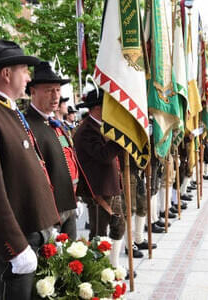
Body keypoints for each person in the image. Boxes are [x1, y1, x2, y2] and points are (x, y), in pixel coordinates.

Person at [0, 39, 60, 300]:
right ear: (6, 73)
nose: (28, 77)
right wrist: (13, 246)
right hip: (16, 240)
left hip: (32, 230)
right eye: (24, 70)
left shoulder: (5, 109)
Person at [73, 88, 126, 270]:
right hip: (97, 190)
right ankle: (98, 270)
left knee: (118, 226)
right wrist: (121, 139)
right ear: (97, 108)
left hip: (109, 187)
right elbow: (103, 155)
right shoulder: (87, 130)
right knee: (99, 234)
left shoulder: (99, 126)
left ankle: (113, 265)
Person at [26, 61, 79, 239]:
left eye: (58, 90)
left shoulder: (57, 125)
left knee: (73, 261)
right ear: (33, 91)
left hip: (69, 204)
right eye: (49, 90)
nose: (55, 95)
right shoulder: (26, 126)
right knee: (49, 262)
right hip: (48, 211)